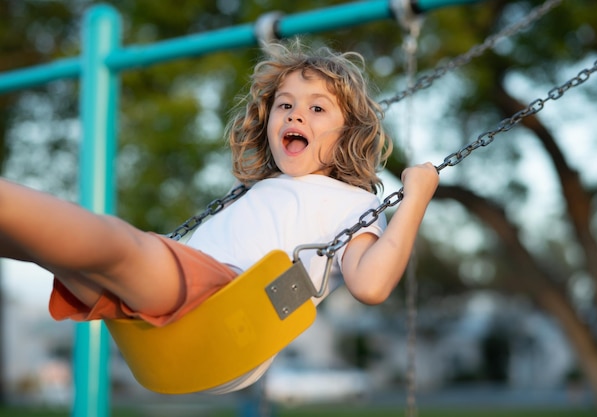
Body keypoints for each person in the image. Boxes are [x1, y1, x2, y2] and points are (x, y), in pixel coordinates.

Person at [0, 39, 439, 393]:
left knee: (112, 243)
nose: (296, 113)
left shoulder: (352, 204)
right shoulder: (256, 190)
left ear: (348, 134)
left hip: (224, 310)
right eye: (284, 105)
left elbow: (371, 284)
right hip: (166, 322)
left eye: (317, 108)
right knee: (53, 249)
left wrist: (414, 199)